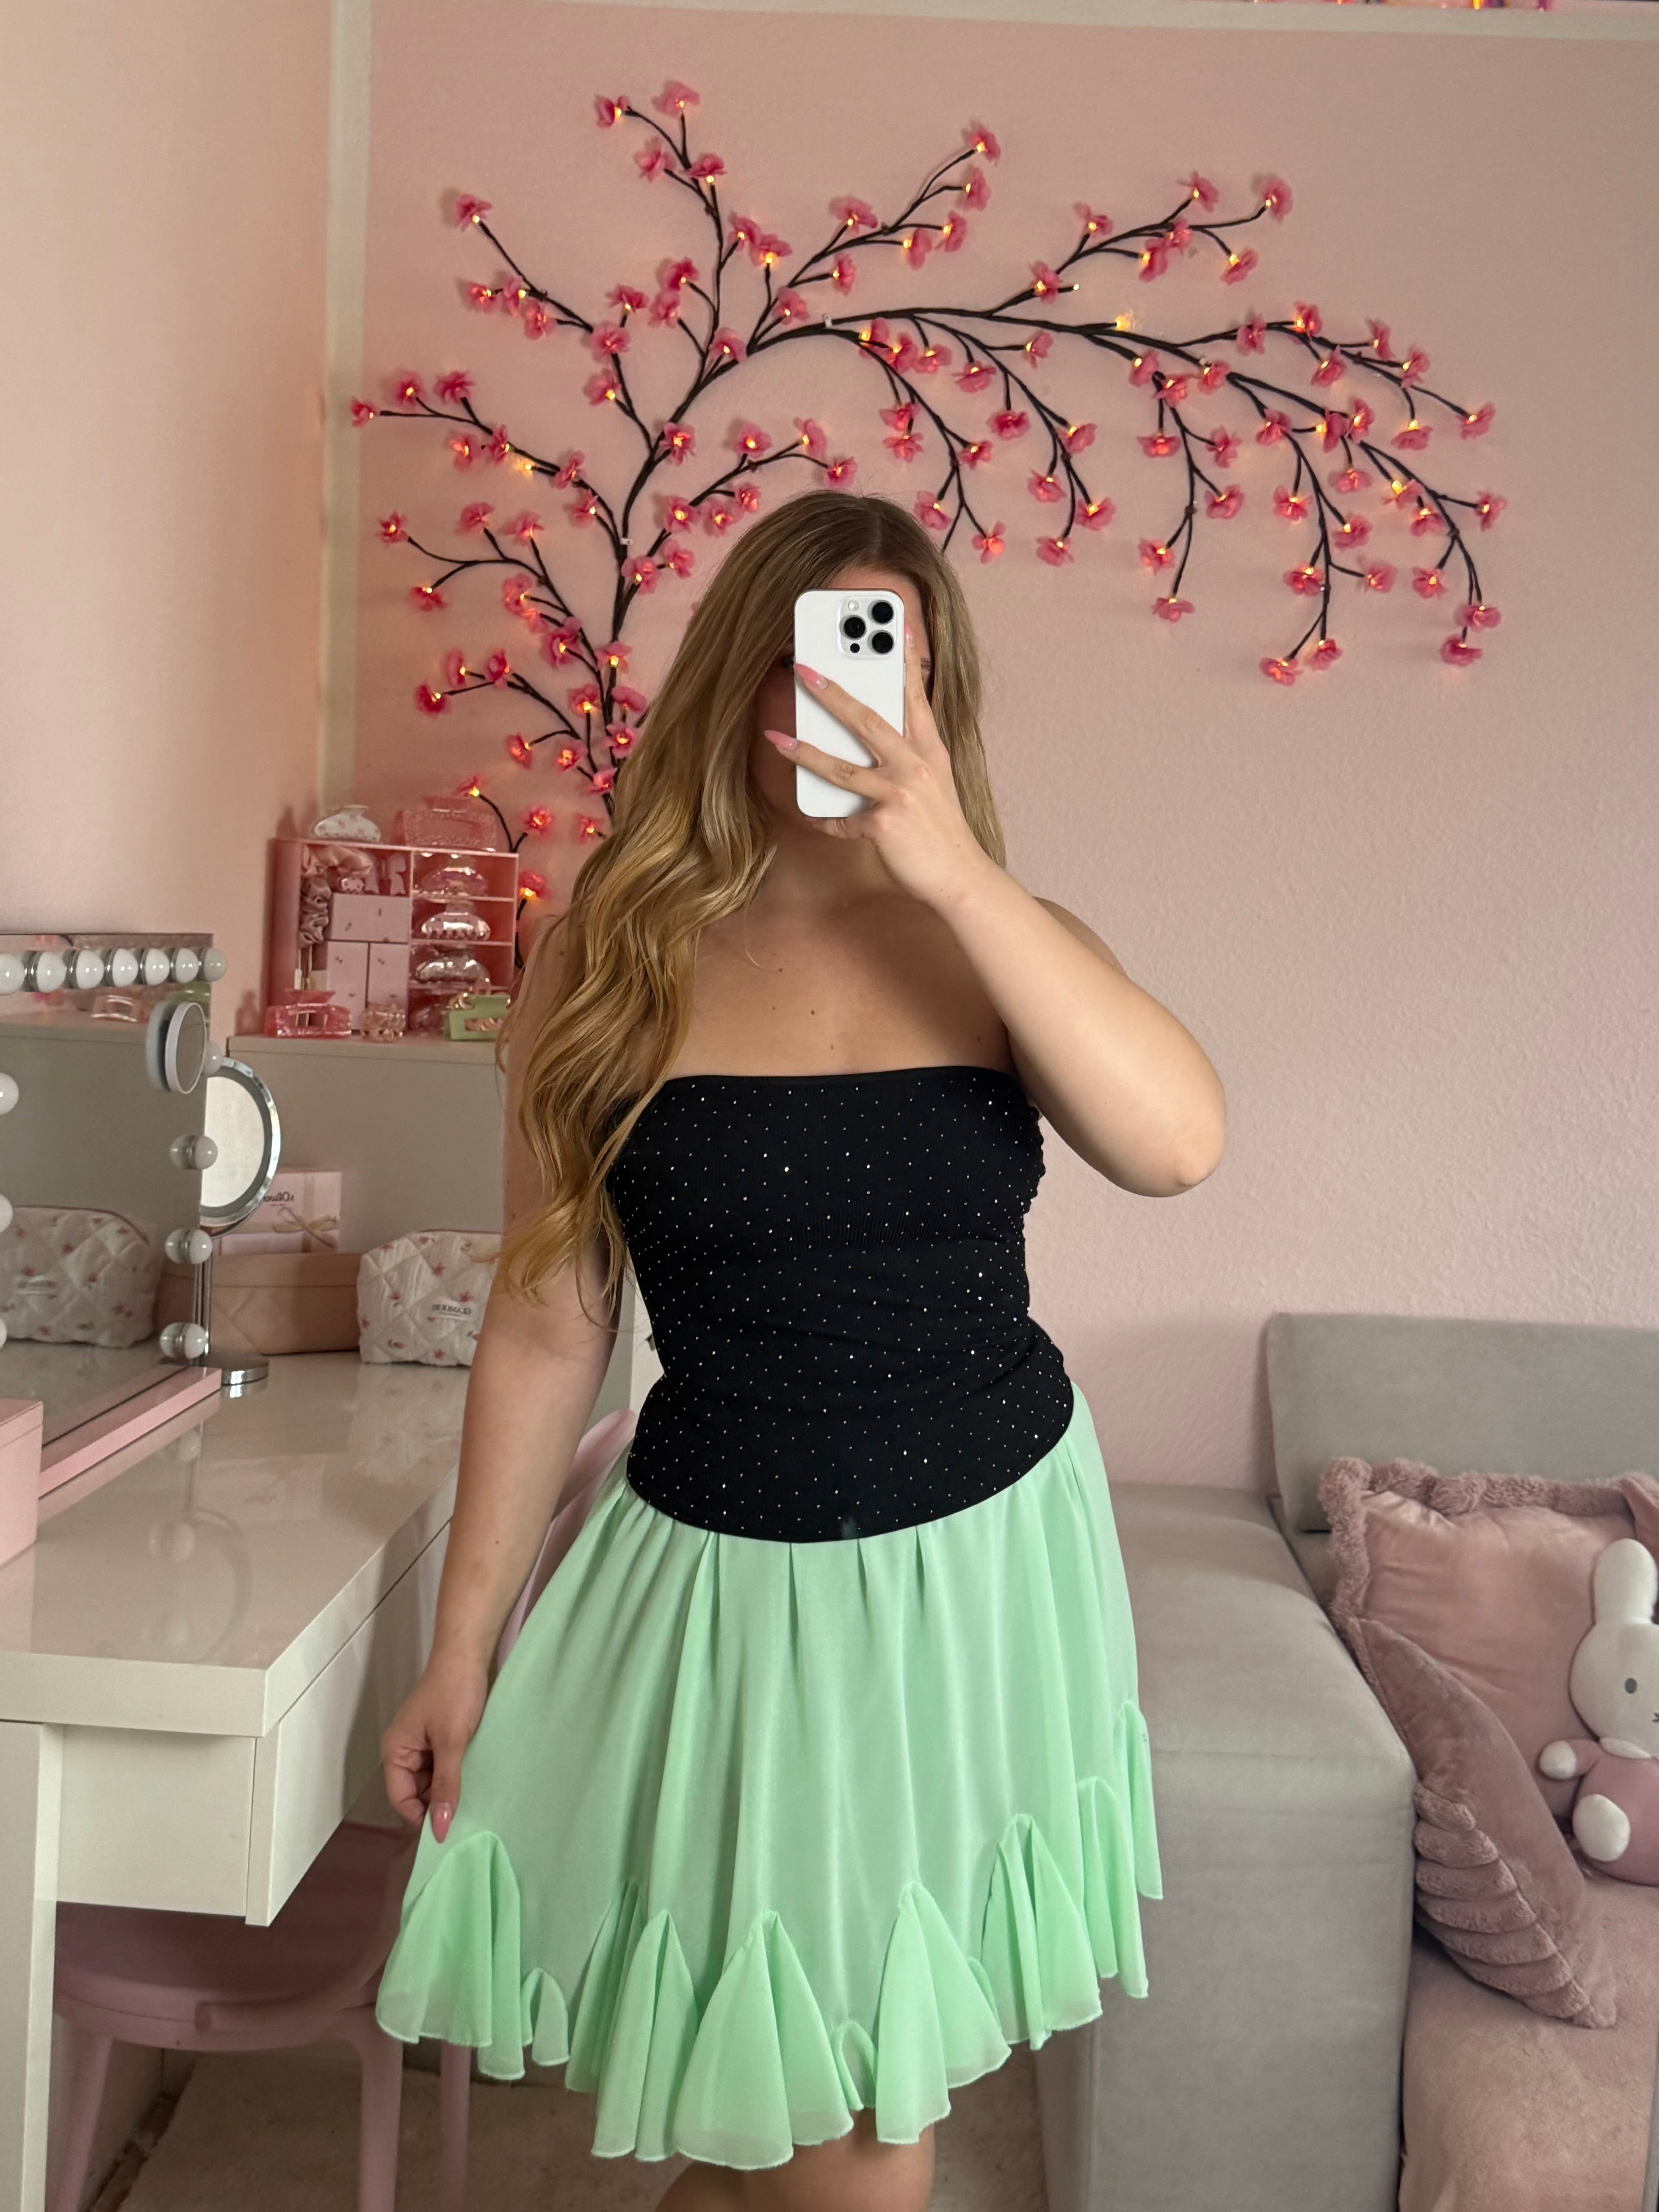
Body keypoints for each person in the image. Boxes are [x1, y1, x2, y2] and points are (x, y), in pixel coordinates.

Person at [376, 489, 1224, 2211]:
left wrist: (954, 869)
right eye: (804, 656)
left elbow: (1176, 1145)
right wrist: (460, 1646)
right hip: (732, 1589)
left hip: (981, 1559)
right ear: (733, 678)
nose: (835, 698)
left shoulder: (1001, 939)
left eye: (882, 659)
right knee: (813, 2113)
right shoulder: (608, 956)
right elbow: (545, 1322)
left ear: (936, 693)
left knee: (836, 2114)